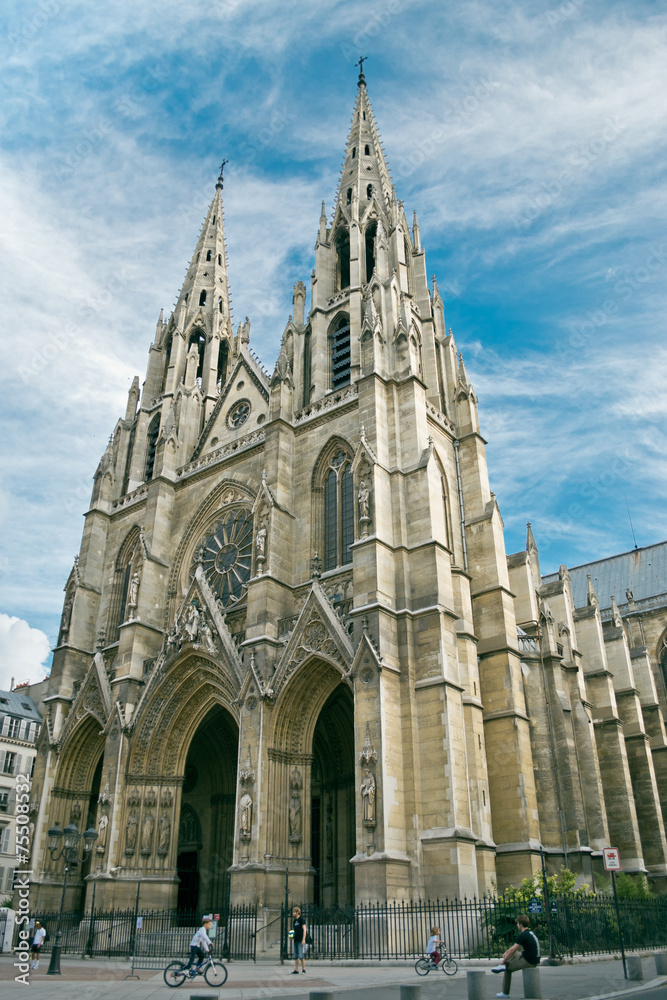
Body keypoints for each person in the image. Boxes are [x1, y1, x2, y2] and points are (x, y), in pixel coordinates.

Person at [492, 914, 540, 997]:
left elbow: (513, 950)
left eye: (517, 923)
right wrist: (506, 952)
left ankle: (505, 993)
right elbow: (514, 948)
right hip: (534, 958)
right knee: (513, 953)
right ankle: (504, 965)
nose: (517, 925)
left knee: (508, 968)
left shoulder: (523, 935)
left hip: (529, 961)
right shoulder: (529, 933)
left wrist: (503, 961)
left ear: (521, 924)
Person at [289, 906, 307, 975]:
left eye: (294, 912)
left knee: (301, 955)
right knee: (296, 956)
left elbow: (304, 929)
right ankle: (296, 969)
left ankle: (303, 969)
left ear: (297, 912)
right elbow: (295, 930)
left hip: (300, 940)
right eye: (293, 912)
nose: (293, 913)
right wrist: (292, 936)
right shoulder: (294, 921)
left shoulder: (301, 919)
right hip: (296, 939)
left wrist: (303, 939)